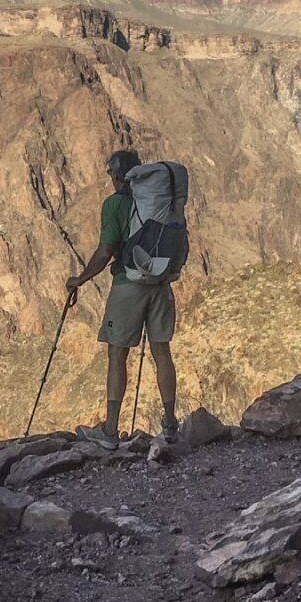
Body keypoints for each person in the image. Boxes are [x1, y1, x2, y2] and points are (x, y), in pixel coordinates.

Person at [65, 149, 179, 444]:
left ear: (118, 175)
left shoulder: (114, 205)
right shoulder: (160, 202)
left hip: (128, 285)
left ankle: (110, 431)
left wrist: (80, 279)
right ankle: (170, 425)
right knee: (161, 351)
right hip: (161, 281)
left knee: (117, 354)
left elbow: (105, 252)